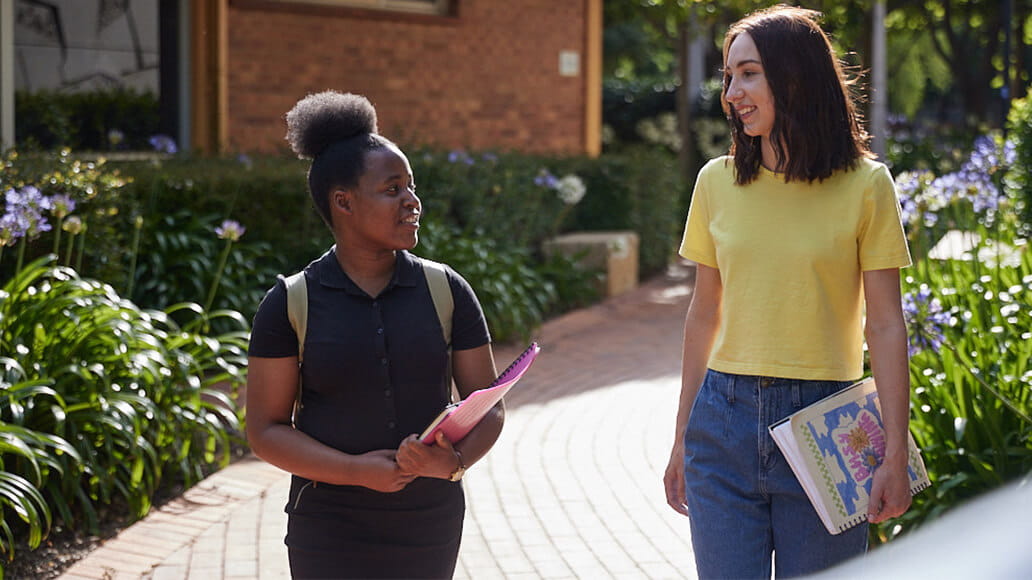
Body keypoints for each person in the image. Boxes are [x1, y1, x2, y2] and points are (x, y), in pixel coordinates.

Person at [662, 6, 913, 578]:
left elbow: (885, 325)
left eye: (747, 73)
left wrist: (894, 451)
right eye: (728, 77)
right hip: (721, 424)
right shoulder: (716, 182)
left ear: (793, 76)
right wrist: (681, 437)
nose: (732, 92)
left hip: (828, 424)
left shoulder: (867, 185)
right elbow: (703, 315)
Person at [246, 91, 503, 579]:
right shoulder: (290, 302)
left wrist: (452, 464)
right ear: (344, 201)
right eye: (392, 189)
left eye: (411, 186)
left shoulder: (446, 290)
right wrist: (355, 471)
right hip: (327, 526)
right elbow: (266, 430)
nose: (412, 201)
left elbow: (488, 405)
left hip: (430, 523)